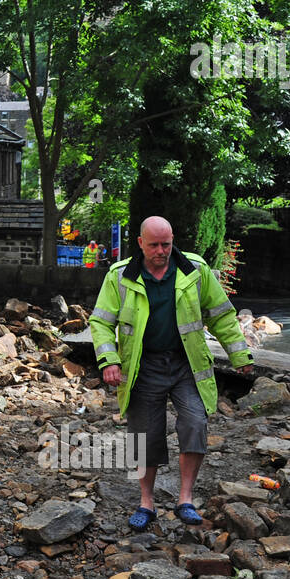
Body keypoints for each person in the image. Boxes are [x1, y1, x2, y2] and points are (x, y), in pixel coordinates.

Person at [88, 216, 255, 532]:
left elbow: (221, 315)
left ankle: (185, 499)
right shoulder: (120, 276)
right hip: (142, 366)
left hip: (186, 364)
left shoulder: (195, 270)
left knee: (195, 423)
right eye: (154, 245)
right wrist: (109, 361)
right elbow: (101, 322)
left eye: (166, 244)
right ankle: (146, 502)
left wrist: (239, 354)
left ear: (173, 240)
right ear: (140, 243)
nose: (161, 251)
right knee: (145, 435)